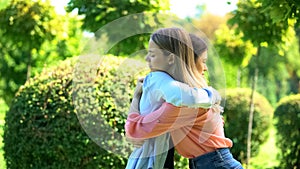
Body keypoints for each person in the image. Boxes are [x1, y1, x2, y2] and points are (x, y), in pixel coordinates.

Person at [125, 33, 244, 169]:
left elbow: (137, 130)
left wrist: (136, 96)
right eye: (203, 61)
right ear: (190, 64)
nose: (205, 68)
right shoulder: (196, 98)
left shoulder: (185, 106)